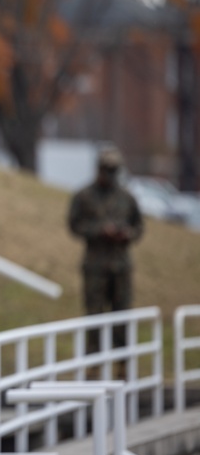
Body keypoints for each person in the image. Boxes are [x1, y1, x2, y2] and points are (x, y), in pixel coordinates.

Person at [67, 146, 144, 352]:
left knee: (122, 315)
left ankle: (122, 362)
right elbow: (74, 225)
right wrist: (100, 231)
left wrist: (127, 234)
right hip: (95, 266)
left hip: (121, 266)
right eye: (106, 169)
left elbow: (139, 227)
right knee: (94, 315)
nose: (109, 175)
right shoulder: (84, 196)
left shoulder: (127, 198)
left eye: (113, 170)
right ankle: (94, 361)